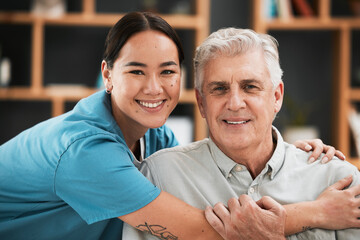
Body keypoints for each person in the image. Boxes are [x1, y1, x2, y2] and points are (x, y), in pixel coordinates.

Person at [0, 12, 349, 240]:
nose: (154, 87)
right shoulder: (86, 153)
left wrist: (288, 152)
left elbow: (223, 143)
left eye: (167, 71)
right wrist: (318, 211)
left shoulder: (152, 135)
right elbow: (201, 231)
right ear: (107, 75)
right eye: (137, 70)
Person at [122, 27, 360, 239]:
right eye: (219, 88)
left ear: (276, 97)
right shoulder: (160, 178)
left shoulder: (339, 181)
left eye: (250, 87)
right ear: (201, 102)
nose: (235, 103)